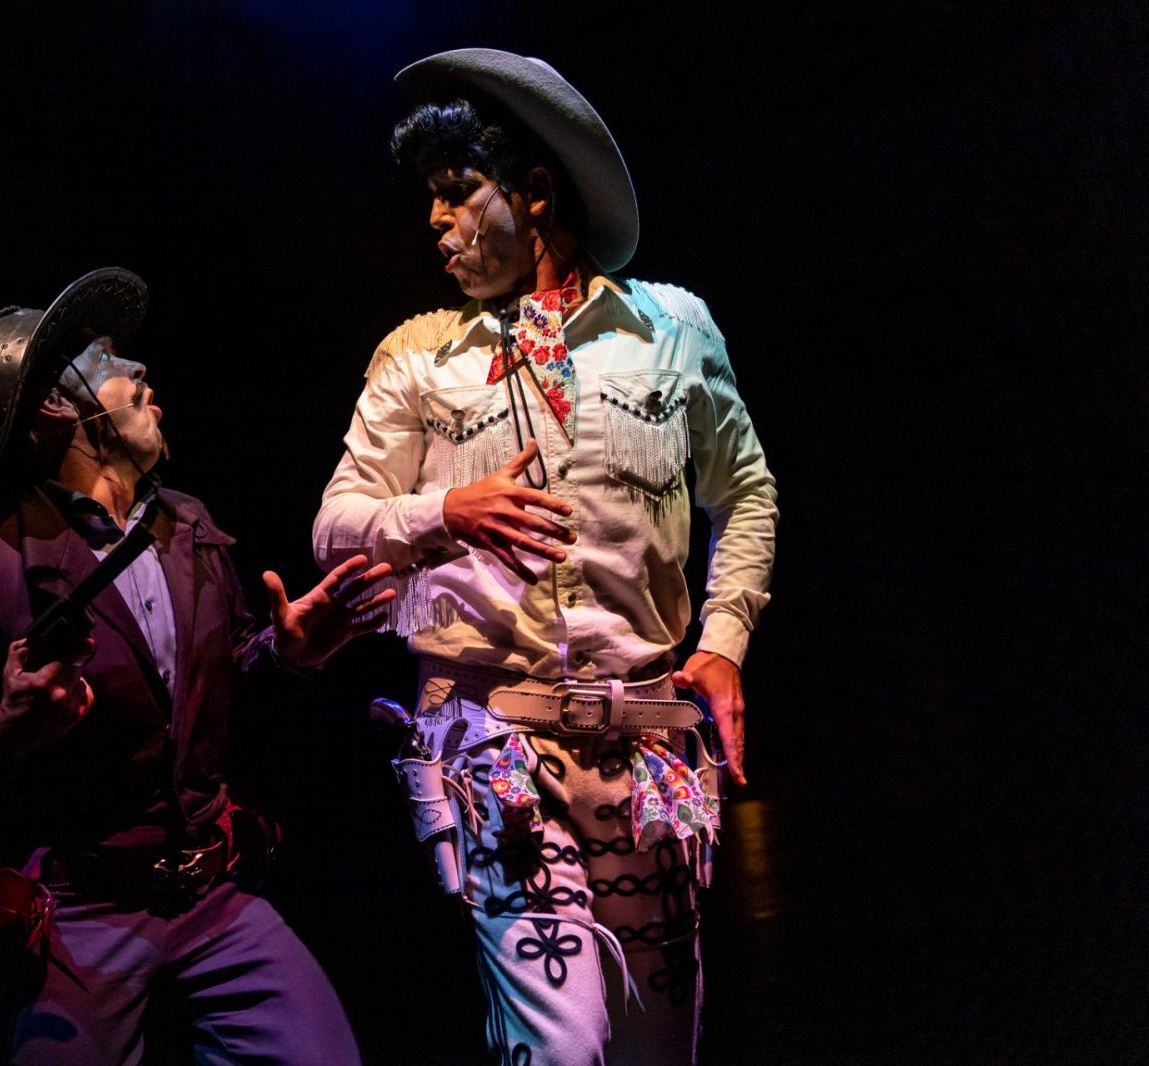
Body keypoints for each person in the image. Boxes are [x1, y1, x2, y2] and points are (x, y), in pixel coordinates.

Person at [313, 50, 778, 1066]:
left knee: (658, 1046)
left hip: (646, 750)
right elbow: (336, 522)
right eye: (430, 197)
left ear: (532, 192)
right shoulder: (418, 355)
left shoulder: (671, 328)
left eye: (456, 191)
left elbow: (744, 490)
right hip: (498, 749)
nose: (435, 221)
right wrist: (447, 508)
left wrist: (724, 642)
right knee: (561, 1048)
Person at [0, 267, 388, 1065]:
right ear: (57, 408)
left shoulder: (185, 525)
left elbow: (217, 683)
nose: (139, 369)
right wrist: (2, 732)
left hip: (212, 895)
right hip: (81, 906)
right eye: (107, 359)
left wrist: (285, 655)